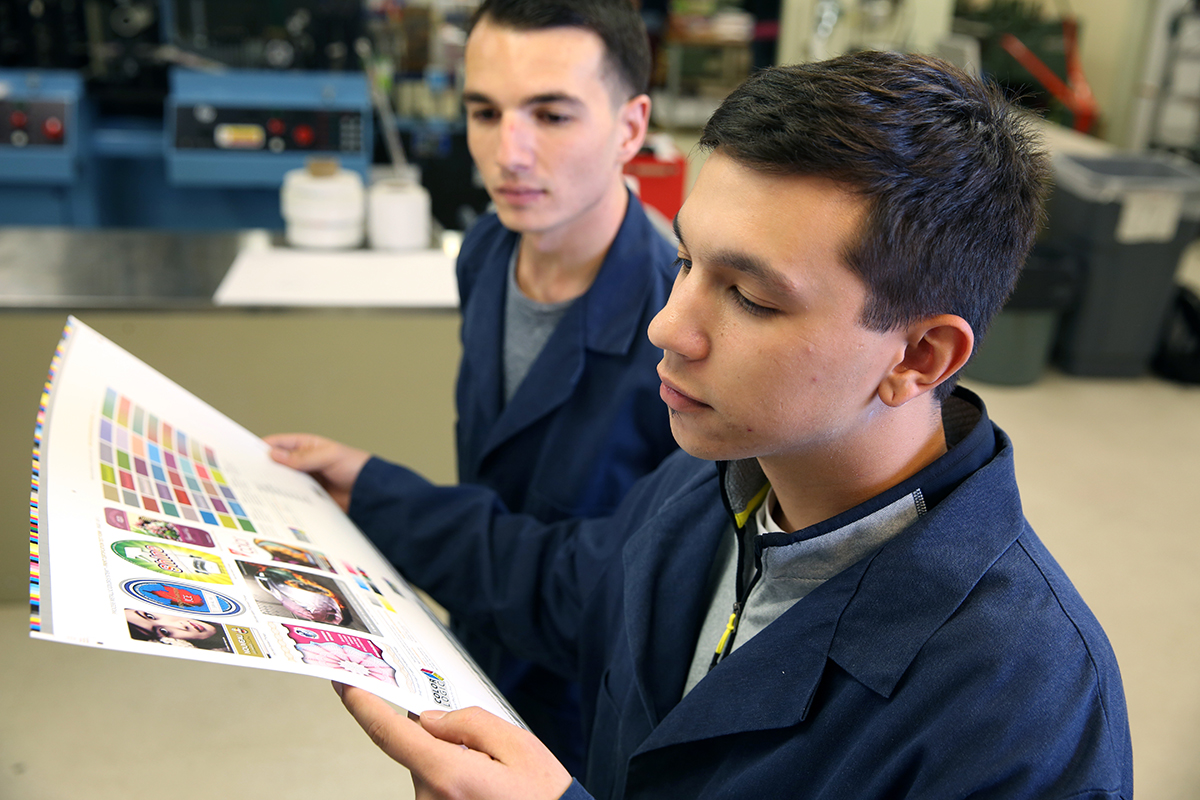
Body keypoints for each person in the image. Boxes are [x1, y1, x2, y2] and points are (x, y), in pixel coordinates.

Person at [282, 52, 1134, 799]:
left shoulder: (1024, 708)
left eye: (751, 298)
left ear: (918, 357)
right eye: (686, 261)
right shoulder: (712, 483)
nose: (666, 327)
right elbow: (564, 588)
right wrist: (370, 492)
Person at [266, 0, 679, 775]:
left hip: (589, 710)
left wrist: (387, 502)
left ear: (630, 127)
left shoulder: (677, 327)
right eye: (485, 113)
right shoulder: (489, 250)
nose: (509, 153)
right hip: (480, 654)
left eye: (552, 116)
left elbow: (612, 594)